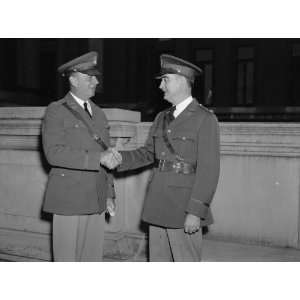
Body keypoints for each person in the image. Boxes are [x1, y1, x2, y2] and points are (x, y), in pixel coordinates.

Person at [103, 54, 220, 261]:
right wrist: (120, 158)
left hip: (184, 208)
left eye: (165, 80)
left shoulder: (205, 119)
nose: (160, 87)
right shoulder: (161, 117)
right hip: (158, 203)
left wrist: (196, 211)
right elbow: (148, 153)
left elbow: (209, 170)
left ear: (182, 80)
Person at [42, 51, 120, 261]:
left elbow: (107, 154)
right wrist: (98, 159)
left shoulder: (100, 113)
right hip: (69, 198)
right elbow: (54, 154)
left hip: (96, 197)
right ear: (73, 80)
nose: (95, 81)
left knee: (91, 259)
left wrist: (109, 193)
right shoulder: (56, 110)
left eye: (95, 77)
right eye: (89, 77)